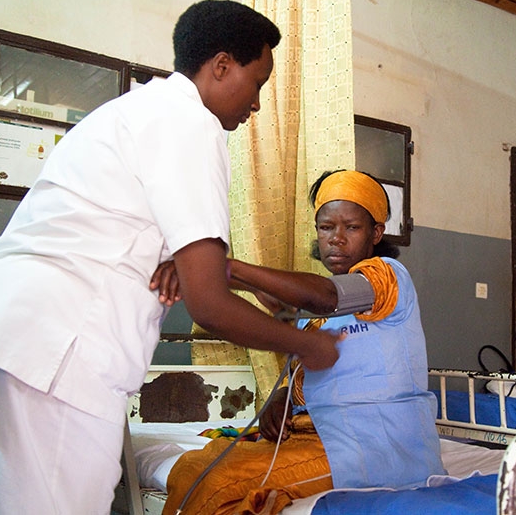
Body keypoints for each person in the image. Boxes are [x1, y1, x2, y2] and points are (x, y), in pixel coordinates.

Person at [0, 0, 343, 514]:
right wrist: (307, 347)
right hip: (56, 349)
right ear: (220, 66)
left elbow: (174, 255)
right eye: (257, 84)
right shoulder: (193, 124)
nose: (256, 105)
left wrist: (210, 268)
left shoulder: (134, 112)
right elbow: (208, 305)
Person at [163, 170, 446, 515]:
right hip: (318, 436)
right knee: (193, 465)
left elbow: (326, 297)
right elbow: (289, 314)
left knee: (218, 481)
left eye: (351, 228)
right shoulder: (318, 310)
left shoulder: (386, 276)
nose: (336, 239)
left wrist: (227, 268)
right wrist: (285, 398)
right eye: (326, 227)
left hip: (374, 449)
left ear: (376, 233)